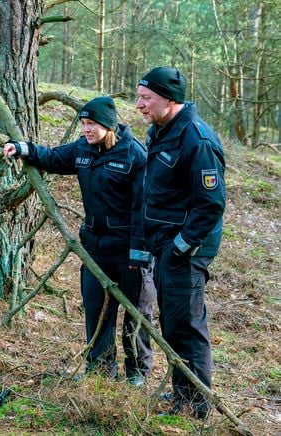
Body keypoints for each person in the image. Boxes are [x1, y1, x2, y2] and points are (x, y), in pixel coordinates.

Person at [4, 96, 154, 386]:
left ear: (108, 125)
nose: (86, 129)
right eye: (83, 123)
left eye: (92, 124)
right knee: (97, 308)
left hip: (130, 250)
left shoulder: (135, 156)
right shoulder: (83, 149)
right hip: (95, 248)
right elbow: (54, 157)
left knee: (136, 311)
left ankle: (136, 371)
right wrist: (23, 148)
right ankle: (99, 368)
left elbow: (143, 209)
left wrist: (139, 254)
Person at [135, 67, 226, 419]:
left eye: (146, 98)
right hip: (166, 247)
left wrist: (179, 248)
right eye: (139, 96)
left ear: (169, 99)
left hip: (185, 251)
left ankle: (197, 407)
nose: (139, 104)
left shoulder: (197, 140)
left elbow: (211, 204)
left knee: (186, 327)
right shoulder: (161, 131)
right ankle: (183, 398)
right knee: (173, 324)